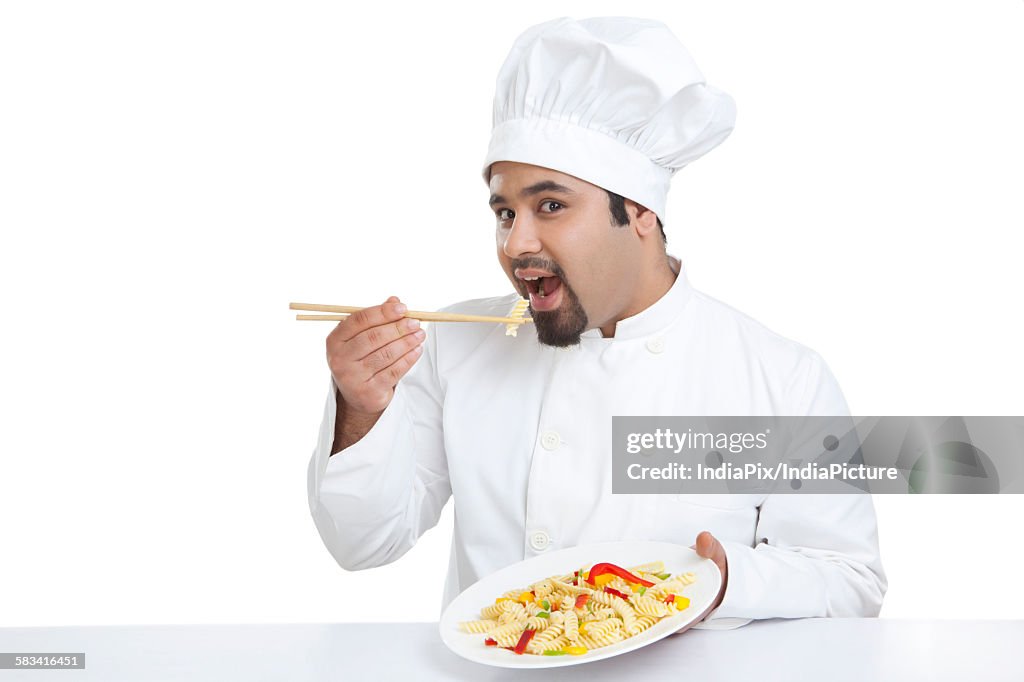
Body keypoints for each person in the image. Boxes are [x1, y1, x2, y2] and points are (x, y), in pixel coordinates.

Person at [307, 16, 886, 630]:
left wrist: (728, 583)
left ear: (638, 210)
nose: (515, 241)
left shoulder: (779, 377)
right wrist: (360, 406)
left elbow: (850, 579)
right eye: (505, 212)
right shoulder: (456, 343)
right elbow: (364, 543)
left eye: (550, 206)